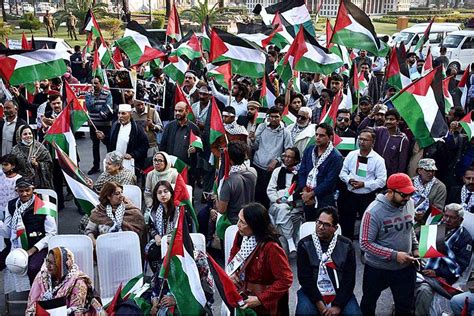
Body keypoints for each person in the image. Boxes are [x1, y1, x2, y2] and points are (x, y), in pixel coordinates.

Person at [359, 173, 419, 315]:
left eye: (410, 194)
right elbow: (365, 243)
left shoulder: (409, 203)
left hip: (405, 267)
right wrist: (393, 255)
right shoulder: (373, 212)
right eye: (404, 195)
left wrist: (415, 248)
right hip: (377, 268)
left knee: (405, 307)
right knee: (368, 303)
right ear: (390, 192)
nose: (408, 198)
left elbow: (409, 229)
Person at [227, 203, 293, 314]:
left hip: (265, 303)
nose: (238, 225)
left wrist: (260, 299)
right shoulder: (241, 236)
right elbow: (233, 255)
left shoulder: (271, 247)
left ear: (254, 225)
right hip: (243, 294)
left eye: (242, 222)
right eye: (238, 220)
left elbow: (285, 279)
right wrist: (232, 273)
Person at [296, 207, 360, 316]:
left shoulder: (346, 245)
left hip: (339, 291)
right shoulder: (304, 244)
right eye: (318, 222)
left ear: (335, 228)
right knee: (304, 312)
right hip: (312, 291)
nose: (320, 227)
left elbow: (349, 279)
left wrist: (338, 305)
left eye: (326, 224)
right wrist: (319, 303)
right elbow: (304, 278)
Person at [415, 203, 473, 315]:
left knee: (424, 290)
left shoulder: (465, 238)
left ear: (460, 220)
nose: (447, 220)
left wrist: (437, 272)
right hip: (421, 267)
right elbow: (417, 245)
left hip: (442, 276)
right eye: (446, 216)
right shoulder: (434, 227)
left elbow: (460, 265)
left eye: (452, 217)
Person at [0, 178, 57, 283]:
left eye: (27, 190)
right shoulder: (11, 205)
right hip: (16, 245)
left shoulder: (44, 205)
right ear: (16, 191)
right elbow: (8, 233)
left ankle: (35, 294)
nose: (24, 194)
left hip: (38, 246)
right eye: (21, 191)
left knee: (33, 268)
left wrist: (32, 250)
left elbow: (52, 234)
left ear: (33, 189)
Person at [338, 129, 387, 240]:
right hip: (350, 194)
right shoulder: (351, 155)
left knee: (367, 225)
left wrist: (364, 184)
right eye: (360, 139)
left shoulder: (378, 160)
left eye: (365, 140)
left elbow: (382, 180)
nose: (362, 142)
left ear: (372, 142)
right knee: (347, 224)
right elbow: (343, 172)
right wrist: (349, 180)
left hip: (366, 197)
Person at [26, 247, 101, 314]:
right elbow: (31, 306)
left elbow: (76, 312)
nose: (48, 265)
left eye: (52, 263)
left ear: (63, 265)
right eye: (47, 261)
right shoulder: (42, 276)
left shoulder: (78, 281)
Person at [298, 123, 344, 221]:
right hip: (306, 196)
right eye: (317, 134)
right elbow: (302, 170)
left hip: (324, 199)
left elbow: (329, 182)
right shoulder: (310, 149)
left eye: (322, 135)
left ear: (330, 137)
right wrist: (305, 191)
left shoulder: (336, 157)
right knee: (308, 225)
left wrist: (311, 195)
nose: (318, 138)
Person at [250, 106, 292, 208]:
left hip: (272, 169)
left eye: (276, 117)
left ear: (281, 117)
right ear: (268, 117)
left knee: (268, 196)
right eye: (271, 117)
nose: (274, 119)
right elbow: (255, 146)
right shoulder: (261, 127)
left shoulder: (285, 132)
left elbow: (288, 151)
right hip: (257, 165)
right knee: (256, 194)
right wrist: (252, 140)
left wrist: (277, 160)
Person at [214, 141, 257, 238]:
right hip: (249, 222)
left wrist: (216, 197)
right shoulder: (252, 174)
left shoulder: (228, 182)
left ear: (229, 159)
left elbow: (221, 209)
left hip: (232, 225)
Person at [84, 182, 145, 247]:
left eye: (121, 192)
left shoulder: (132, 211)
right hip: (104, 248)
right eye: (117, 194)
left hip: (127, 248)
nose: (121, 196)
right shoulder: (99, 211)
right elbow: (89, 230)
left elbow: (140, 232)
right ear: (108, 196)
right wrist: (95, 242)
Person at [267, 147, 302, 255]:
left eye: (289, 157)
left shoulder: (300, 174)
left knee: (283, 211)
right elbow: (270, 190)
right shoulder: (277, 171)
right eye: (285, 156)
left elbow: (300, 192)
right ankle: (290, 240)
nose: (286, 159)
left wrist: (291, 201)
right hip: (277, 203)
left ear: (296, 160)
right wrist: (277, 200)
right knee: (282, 208)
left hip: (293, 205)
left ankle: (283, 248)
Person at [159, 101, 201, 186]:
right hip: (170, 168)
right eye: (176, 111)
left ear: (187, 111)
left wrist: (195, 149)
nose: (177, 113)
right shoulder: (169, 127)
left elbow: (200, 146)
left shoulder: (194, 128)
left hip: (187, 169)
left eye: (180, 111)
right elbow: (162, 146)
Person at [97, 103, 149, 170]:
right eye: (119, 113)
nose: (120, 116)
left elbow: (144, 146)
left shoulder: (137, 129)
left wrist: (132, 154)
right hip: (114, 164)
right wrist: (103, 138)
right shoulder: (115, 126)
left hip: (129, 165)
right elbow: (110, 142)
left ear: (130, 114)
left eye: (123, 113)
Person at [359, 108, 410, 176]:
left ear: (397, 121)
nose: (388, 121)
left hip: (389, 175)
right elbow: (361, 128)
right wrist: (371, 115)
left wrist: (397, 178)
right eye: (387, 119)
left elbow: (402, 163)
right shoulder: (379, 130)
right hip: (373, 172)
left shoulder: (402, 139)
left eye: (391, 119)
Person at [145, 181, 182, 273]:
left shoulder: (179, 209)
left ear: (171, 193)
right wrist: (155, 236)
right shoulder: (153, 211)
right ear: (156, 195)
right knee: (153, 251)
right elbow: (150, 227)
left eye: (166, 191)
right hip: (161, 241)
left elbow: (185, 229)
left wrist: (173, 238)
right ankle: (160, 279)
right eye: (159, 192)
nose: (163, 195)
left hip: (178, 240)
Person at [85, 76, 114, 175]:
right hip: (94, 124)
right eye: (93, 83)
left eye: (96, 83)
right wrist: (93, 97)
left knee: (108, 145)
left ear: (101, 83)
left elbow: (107, 107)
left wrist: (98, 109)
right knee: (95, 146)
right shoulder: (88, 94)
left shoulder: (107, 94)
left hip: (105, 124)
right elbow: (89, 108)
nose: (94, 85)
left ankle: (111, 165)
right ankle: (96, 166)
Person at [11, 125, 53, 189]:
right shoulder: (15, 150)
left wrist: (37, 164)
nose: (28, 136)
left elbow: (49, 164)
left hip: (40, 184)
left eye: (30, 133)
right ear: (20, 136)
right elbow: (13, 167)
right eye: (25, 134)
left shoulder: (40, 147)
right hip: (22, 185)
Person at [412, 158, 447, 226]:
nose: (430, 173)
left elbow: (438, 209)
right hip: (407, 218)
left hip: (427, 222)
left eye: (433, 171)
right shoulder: (410, 182)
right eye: (427, 170)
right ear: (419, 171)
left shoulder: (440, 187)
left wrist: (423, 216)